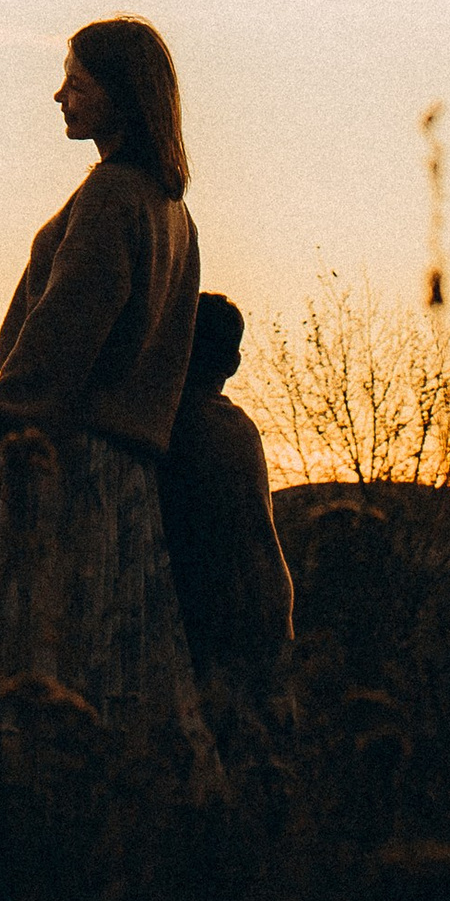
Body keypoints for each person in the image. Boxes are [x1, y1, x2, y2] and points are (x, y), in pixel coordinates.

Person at [0, 16, 216, 768]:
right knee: (115, 670)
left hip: (60, 466)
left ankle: (23, 823)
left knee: (39, 670)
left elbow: (58, 341)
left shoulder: (113, 198)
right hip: (128, 479)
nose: (59, 95)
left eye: (77, 82)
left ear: (122, 96)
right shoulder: (173, 212)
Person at [159, 292, 295, 703]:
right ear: (233, 364)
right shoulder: (240, 425)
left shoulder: (172, 425)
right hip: (268, 601)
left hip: (216, 614)